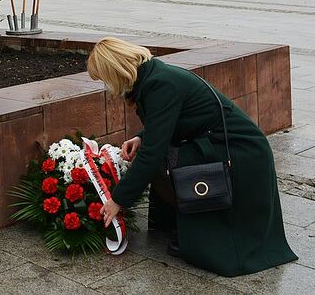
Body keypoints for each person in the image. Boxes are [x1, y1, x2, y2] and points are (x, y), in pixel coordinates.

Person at [87, 37, 297, 277]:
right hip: (219, 142)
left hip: (239, 151)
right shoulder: (153, 76)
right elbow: (168, 122)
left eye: (104, 78)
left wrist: (118, 200)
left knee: (163, 162)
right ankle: (183, 225)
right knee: (159, 159)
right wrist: (142, 137)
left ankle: (195, 233)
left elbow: (152, 154)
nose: (106, 85)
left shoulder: (159, 84)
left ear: (115, 71)